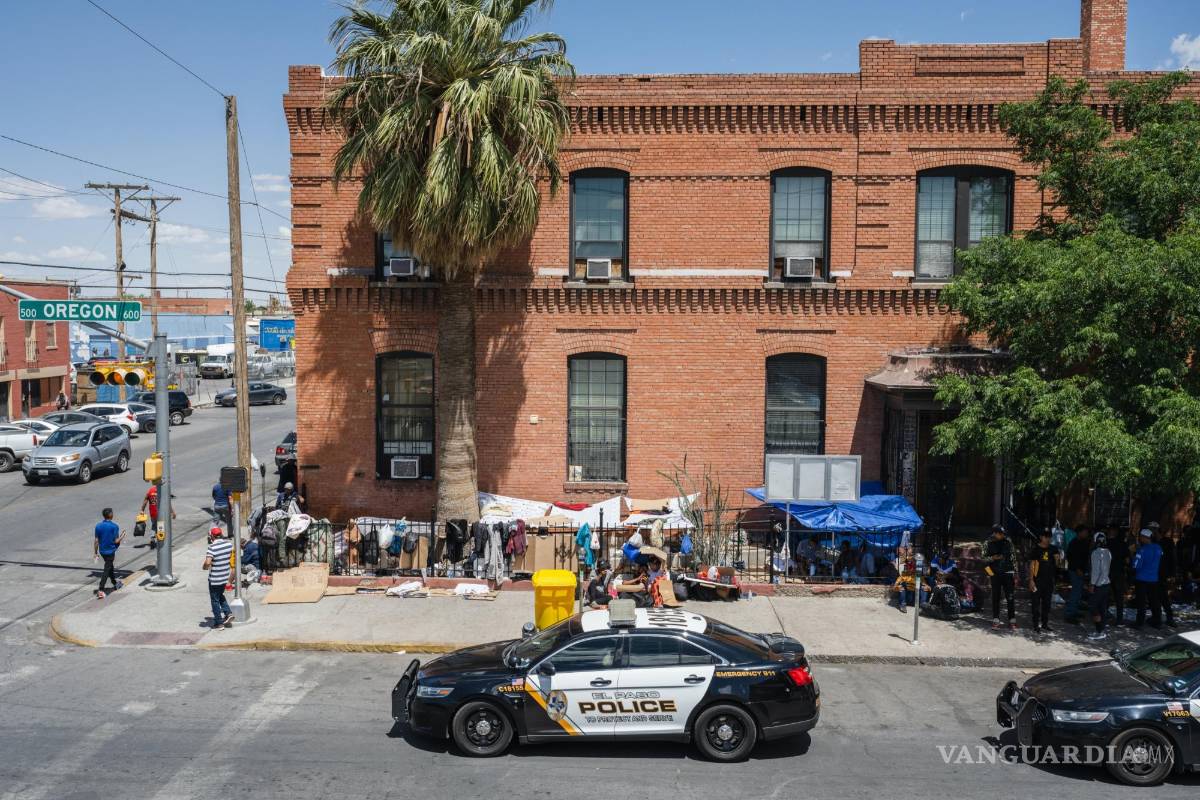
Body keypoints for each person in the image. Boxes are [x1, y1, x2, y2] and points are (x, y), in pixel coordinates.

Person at [984, 524, 1017, 630]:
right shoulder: (987, 543)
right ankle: (996, 619)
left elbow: (1013, 557)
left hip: (1008, 573)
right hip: (995, 574)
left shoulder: (1008, 542)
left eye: (1003, 534)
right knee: (996, 597)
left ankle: (1012, 620)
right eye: (1000, 534)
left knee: (1010, 597)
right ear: (995, 533)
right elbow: (983, 559)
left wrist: (1015, 572)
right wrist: (992, 558)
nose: (1002, 535)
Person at [203, 526, 235, 628]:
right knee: (220, 595)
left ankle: (219, 622)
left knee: (214, 600)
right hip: (224, 577)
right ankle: (228, 613)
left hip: (215, 579)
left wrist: (204, 566)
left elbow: (208, 563)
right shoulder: (229, 545)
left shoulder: (212, 547)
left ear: (212, 536)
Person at [1027, 530, 1059, 632]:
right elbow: (1032, 565)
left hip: (1049, 581)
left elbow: (1058, 565)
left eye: (1049, 537)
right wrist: (1031, 580)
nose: (1048, 539)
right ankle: (1036, 625)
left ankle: (1045, 623)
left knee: (1047, 603)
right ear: (1041, 537)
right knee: (1036, 604)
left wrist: (1058, 559)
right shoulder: (1036, 549)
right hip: (1037, 580)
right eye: (1046, 537)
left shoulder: (1053, 549)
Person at [1131, 528, 1163, 629]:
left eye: (1141, 537)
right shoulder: (1158, 548)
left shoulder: (1142, 549)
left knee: (1141, 601)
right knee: (1154, 600)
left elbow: (1136, 565)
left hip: (1142, 579)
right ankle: (1157, 621)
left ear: (1145, 537)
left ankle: (1139, 623)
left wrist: (1133, 555)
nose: (1140, 539)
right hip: (1154, 579)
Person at [93, 507, 124, 598]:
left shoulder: (98, 526)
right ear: (110, 515)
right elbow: (116, 541)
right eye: (112, 513)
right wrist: (123, 535)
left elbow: (96, 541)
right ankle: (101, 589)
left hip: (102, 551)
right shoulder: (114, 526)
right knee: (107, 569)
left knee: (110, 567)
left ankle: (115, 583)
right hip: (110, 551)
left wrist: (95, 552)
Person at [1064, 524, 1092, 624]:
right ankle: (1069, 613)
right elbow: (1072, 558)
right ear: (1079, 532)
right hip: (1075, 570)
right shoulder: (1074, 543)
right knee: (1075, 592)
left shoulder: (1084, 542)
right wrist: (1077, 569)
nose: (1086, 534)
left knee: (1079, 591)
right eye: (1085, 532)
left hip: (1081, 570)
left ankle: (1074, 610)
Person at [1087, 532, 1112, 640]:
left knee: (1093, 606)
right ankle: (1101, 630)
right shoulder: (1108, 552)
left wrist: (1092, 584)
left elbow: (1096, 571)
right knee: (1102, 608)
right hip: (1106, 583)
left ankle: (1099, 631)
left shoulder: (1095, 553)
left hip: (1098, 584)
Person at [1152, 523, 1177, 628]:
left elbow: (1173, 558)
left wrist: (1172, 573)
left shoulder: (1167, 542)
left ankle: (1169, 617)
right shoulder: (1152, 542)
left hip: (1163, 573)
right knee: (1155, 597)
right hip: (1153, 573)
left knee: (1163, 596)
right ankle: (1157, 618)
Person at [1107, 526, 1130, 626]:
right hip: (1119, 572)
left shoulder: (1108, 543)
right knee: (1119, 597)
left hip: (1108, 572)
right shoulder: (1124, 544)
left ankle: (1104, 616)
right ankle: (1119, 619)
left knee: (1106, 594)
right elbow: (1127, 560)